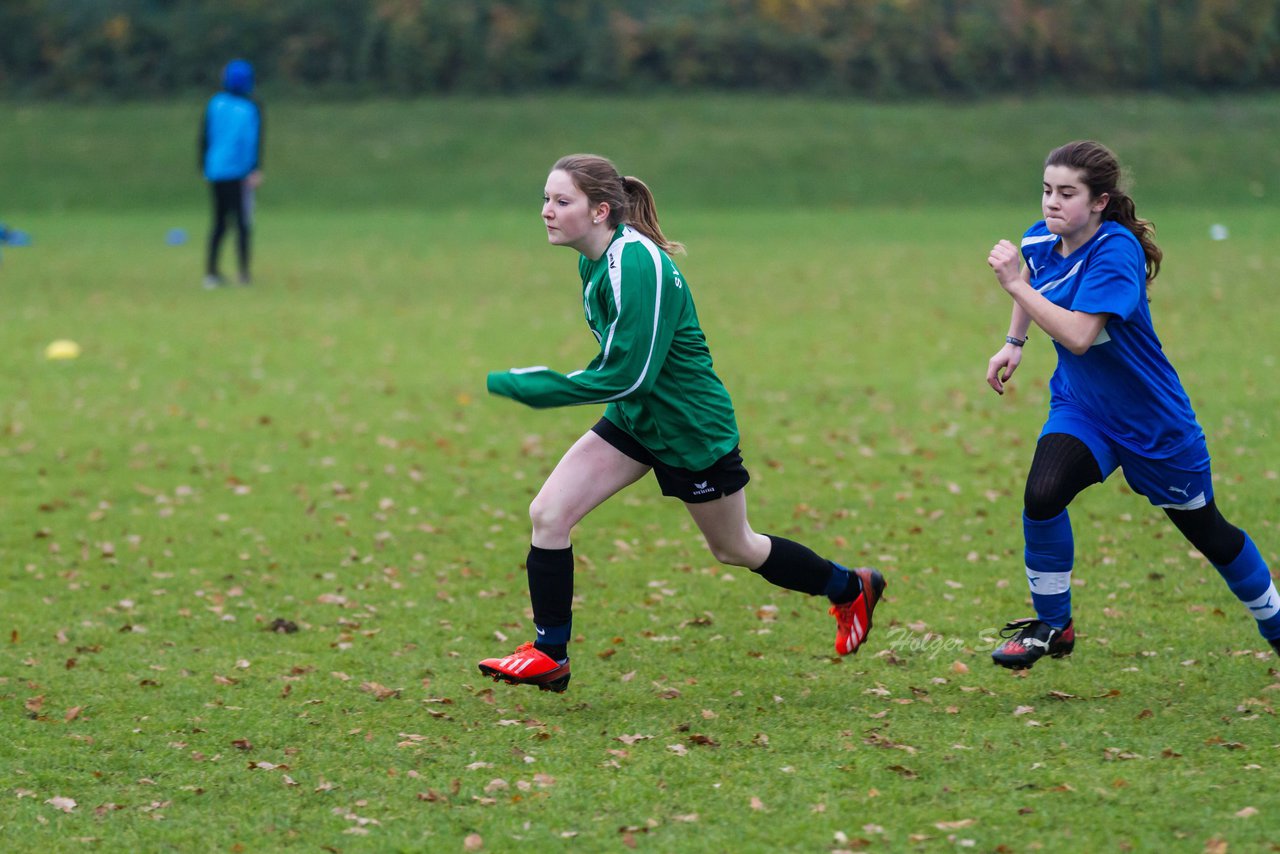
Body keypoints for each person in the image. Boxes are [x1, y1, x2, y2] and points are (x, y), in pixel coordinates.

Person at [477, 154, 885, 692]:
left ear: (600, 210)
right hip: (636, 420)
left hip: (691, 430)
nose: (547, 212)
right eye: (545, 200)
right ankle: (551, 653)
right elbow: (628, 377)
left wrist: (539, 387)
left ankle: (849, 587)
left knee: (735, 547)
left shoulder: (635, 263)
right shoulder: (593, 259)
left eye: (561, 201)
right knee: (548, 513)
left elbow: (631, 374)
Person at [984, 140, 1280, 670]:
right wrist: (1015, 342)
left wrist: (1011, 286)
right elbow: (1031, 276)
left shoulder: (1116, 251)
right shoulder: (1041, 236)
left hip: (1153, 424)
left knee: (1209, 532)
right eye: (1048, 190)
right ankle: (1054, 626)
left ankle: (1276, 623)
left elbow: (1077, 334)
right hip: (1084, 408)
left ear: (1099, 201)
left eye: (1067, 193)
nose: (1052, 202)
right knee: (1044, 493)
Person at [200, 58, 263, 288]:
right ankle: (244, 274)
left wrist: (204, 168)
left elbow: (205, 137)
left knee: (219, 223)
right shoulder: (250, 109)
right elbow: (252, 142)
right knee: (243, 224)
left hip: (216, 171)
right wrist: (254, 169)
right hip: (239, 174)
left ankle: (211, 273)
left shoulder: (215, 104)